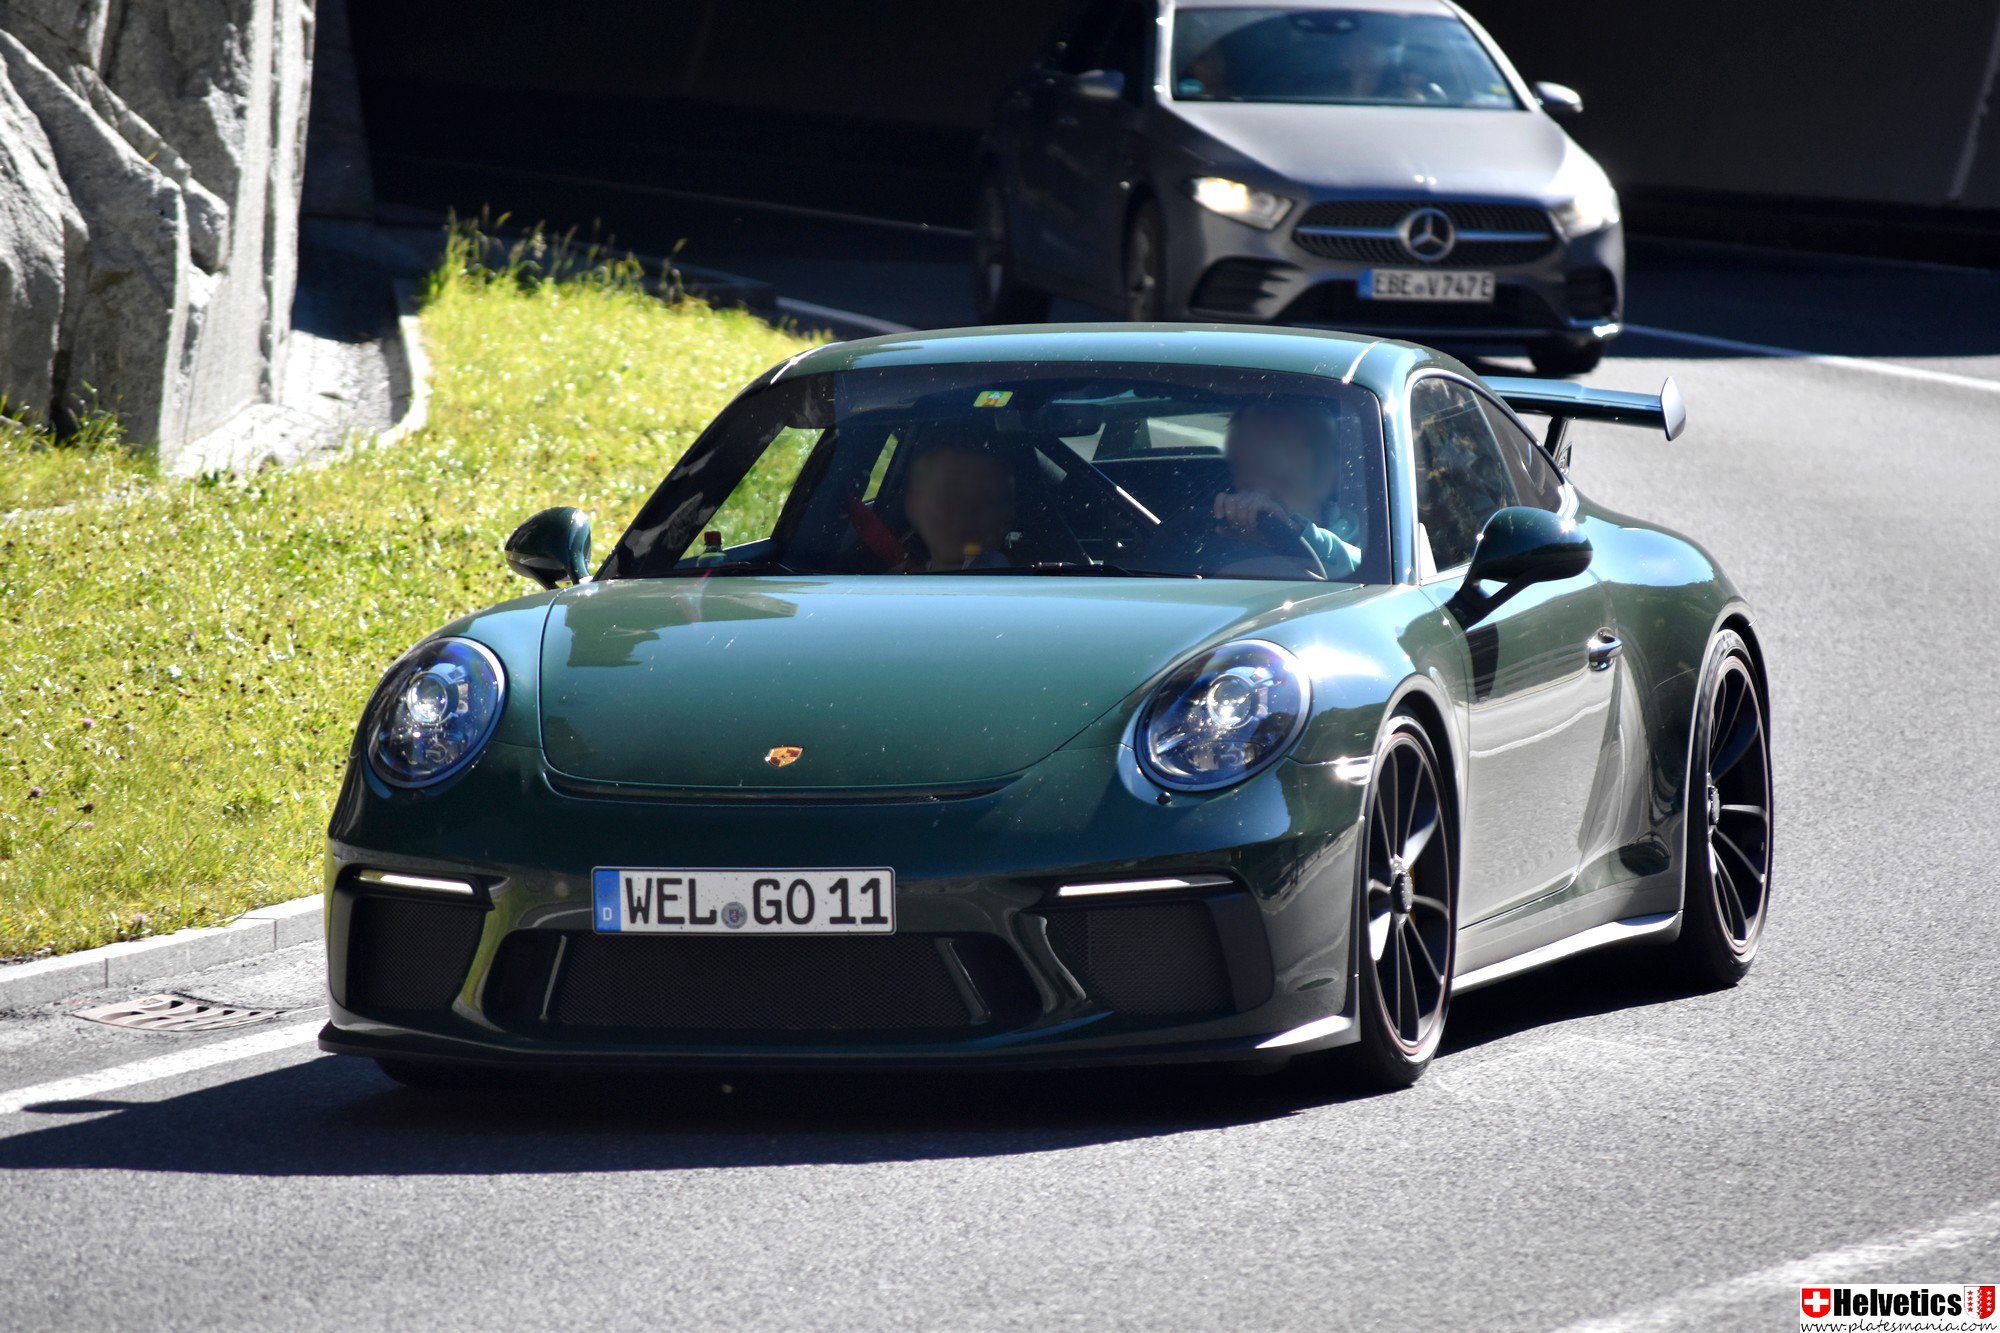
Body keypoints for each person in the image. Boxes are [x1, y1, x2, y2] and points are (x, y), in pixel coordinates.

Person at [1146, 400, 1360, 577]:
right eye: (1244, 466)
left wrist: (1293, 530)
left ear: (1324, 470)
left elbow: (1363, 571)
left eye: (1271, 465)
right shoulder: (1209, 538)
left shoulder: (1363, 531)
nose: (1256, 481)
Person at [898, 437, 1017, 572]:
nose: (959, 512)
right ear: (912, 503)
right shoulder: (899, 572)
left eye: (977, 499)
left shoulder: (993, 574)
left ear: (1004, 518)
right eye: (945, 495)